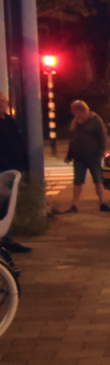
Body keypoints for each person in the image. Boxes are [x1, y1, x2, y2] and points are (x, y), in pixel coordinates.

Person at [61, 100, 110, 214]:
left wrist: (100, 153)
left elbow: (102, 137)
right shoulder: (75, 122)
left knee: (98, 180)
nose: (72, 113)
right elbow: (73, 140)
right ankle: (74, 205)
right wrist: (69, 155)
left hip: (93, 156)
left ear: (80, 110)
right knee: (78, 181)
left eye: (74, 110)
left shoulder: (95, 120)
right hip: (79, 157)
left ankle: (102, 203)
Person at [0, 95, 29, 252]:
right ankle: (5, 240)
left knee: (10, 204)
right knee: (3, 204)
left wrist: (23, 164)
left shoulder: (10, 121)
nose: (2, 105)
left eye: (3, 101)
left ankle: (8, 240)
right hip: (3, 169)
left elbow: (18, 142)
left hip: (14, 168)